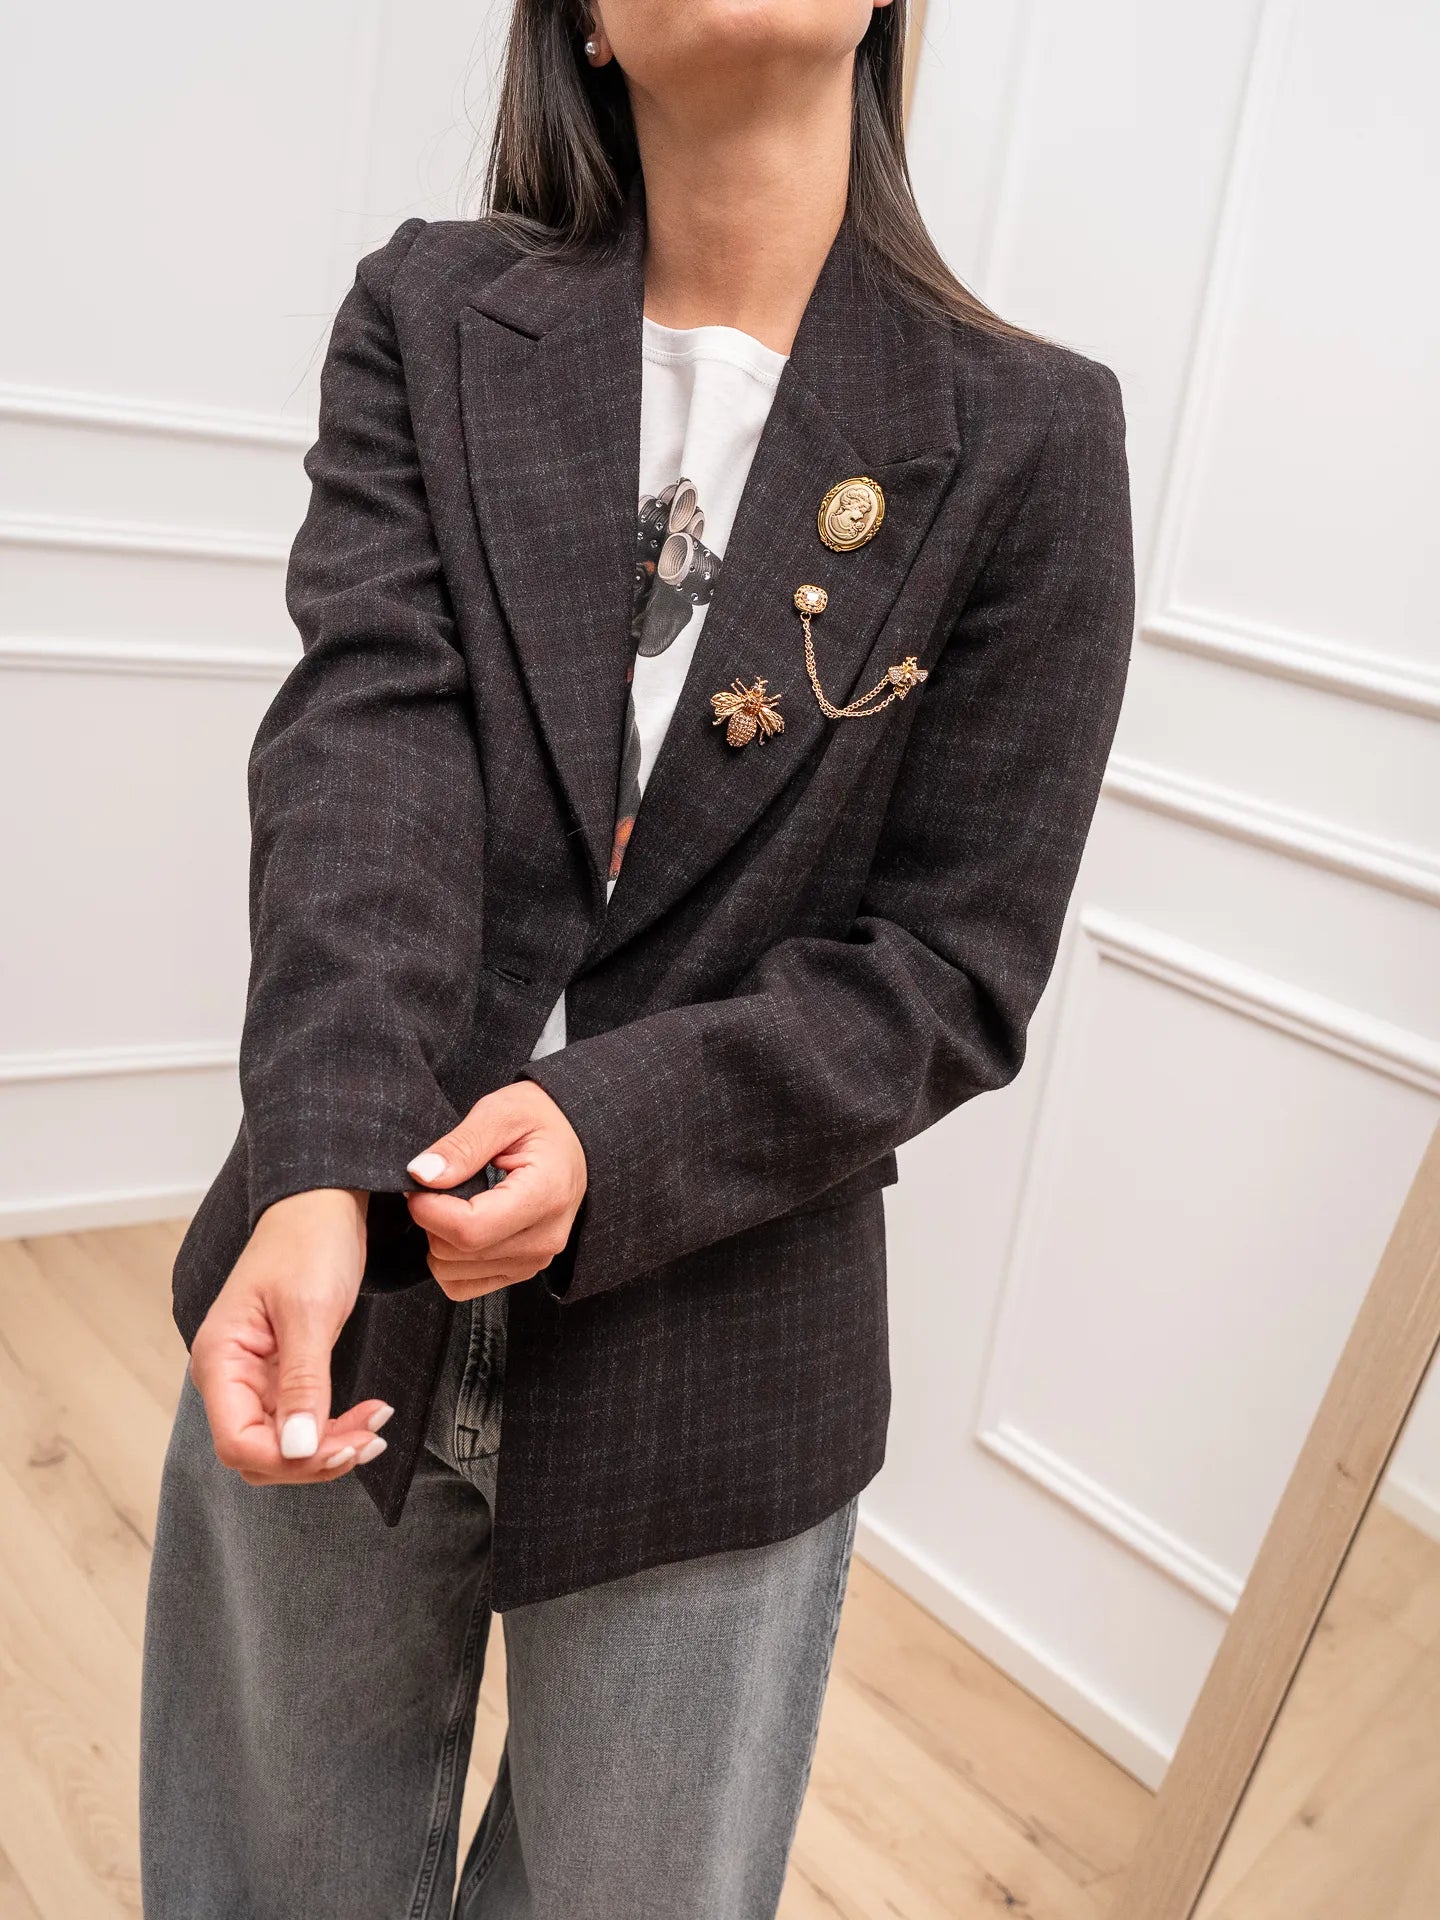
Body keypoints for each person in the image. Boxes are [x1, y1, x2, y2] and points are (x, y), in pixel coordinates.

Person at [139, 2, 1135, 1915]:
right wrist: (323, 1166)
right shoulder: (433, 314)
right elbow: (361, 758)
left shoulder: (1031, 433)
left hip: (725, 1358)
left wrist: (613, 1131)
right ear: (585, 25)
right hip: (342, 1277)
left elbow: (953, 965)